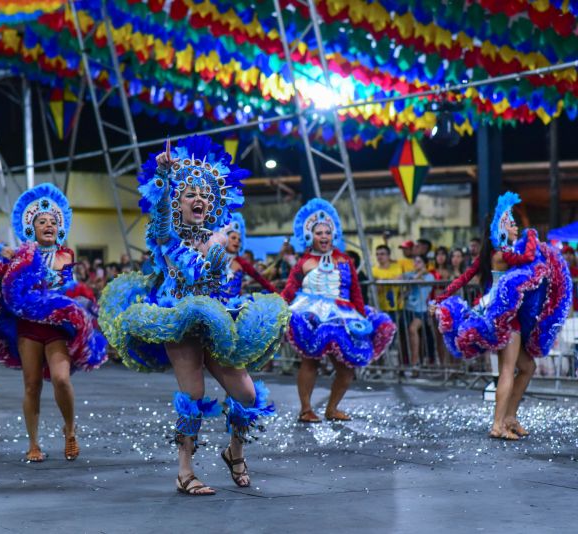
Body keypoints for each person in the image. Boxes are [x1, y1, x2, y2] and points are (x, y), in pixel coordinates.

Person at [99, 136, 287, 495]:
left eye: (203, 193)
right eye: (189, 194)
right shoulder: (166, 237)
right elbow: (161, 221)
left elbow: (217, 281)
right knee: (194, 393)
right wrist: (167, 178)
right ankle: (185, 470)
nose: (198, 198)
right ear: (178, 202)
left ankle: (234, 452)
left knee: (246, 394)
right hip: (179, 320)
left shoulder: (217, 239)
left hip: (215, 321)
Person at [0, 184, 107, 462]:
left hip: (56, 328)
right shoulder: (22, 253)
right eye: (42, 221)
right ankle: (33, 443)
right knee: (32, 385)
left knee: (61, 379)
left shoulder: (66, 255)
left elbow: (69, 288)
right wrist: (1, 249)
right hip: (28, 327)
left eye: (53, 221)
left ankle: (69, 430)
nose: (48, 225)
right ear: (31, 227)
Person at [430, 192, 572, 440]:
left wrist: (440, 299)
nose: (516, 226)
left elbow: (462, 279)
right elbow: (528, 256)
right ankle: (498, 424)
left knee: (527, 367)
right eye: (511, 223)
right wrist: (530, 234)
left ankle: (510, 417)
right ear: (501, 227)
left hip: (499, 316)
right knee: (508, 370)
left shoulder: (491, 254)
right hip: (506, 319)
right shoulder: (502, 254)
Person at [283, 199, 395, 423]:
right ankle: (306, 409)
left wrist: (362, 317)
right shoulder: (303, 262)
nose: (324, 236)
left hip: (343, 315)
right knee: (310, 362)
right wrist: (275, 309)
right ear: (310, 236)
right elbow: (289, 290)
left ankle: (332, 408)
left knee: (346, 369)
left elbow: (355, 291)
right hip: (311, 314)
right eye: (319, 233)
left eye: (327, 232)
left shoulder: (344, 260)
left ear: (333, 235)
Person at [404, 255, 435, 374]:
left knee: (413, 329)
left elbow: (416, 282)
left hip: (421, 310)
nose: (416, 263)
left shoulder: (429, 276)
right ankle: (412, 362)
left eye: (419, 262)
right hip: (407, 309)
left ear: (425, 264)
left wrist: (419, 274)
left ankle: (415, 363)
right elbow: (403, 279)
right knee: (410, 337)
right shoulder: (409, 274)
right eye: (415, 261)